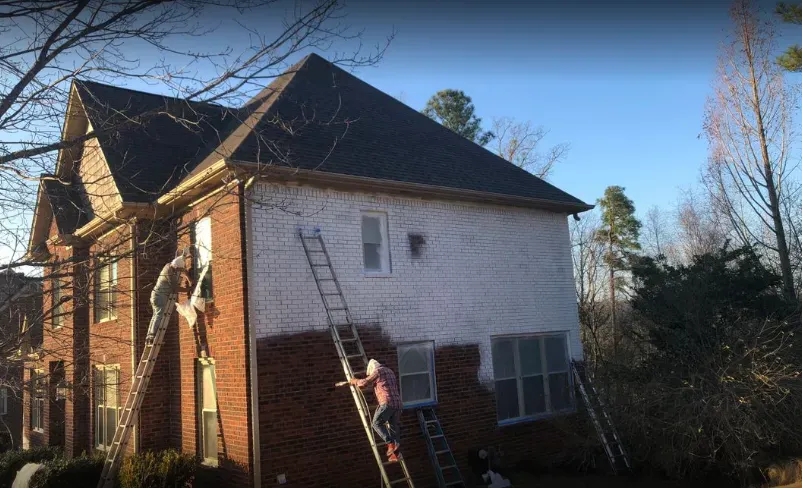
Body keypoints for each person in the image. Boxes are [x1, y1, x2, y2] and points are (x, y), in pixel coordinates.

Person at [343, 359, 403, 462]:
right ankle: (396, 454)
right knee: (393, 427)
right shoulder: (389, 371)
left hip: (387, 402)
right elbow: (382, 385)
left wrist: (354, 381)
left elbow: (363, 383)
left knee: (376, 423)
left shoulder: (378, 371)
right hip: (398, 404)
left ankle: (390, 444)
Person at [146, 256, 192, 344]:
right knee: (159, 315)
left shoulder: (168, 265)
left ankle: (150, 337)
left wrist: (188, 277)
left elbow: (179, 268)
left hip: (155, 295)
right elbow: (175, 289)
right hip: (160, 297)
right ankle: (152, 337)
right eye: (176, 269)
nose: (176, 271)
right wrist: (188, 289)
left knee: (155, 315)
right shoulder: (169, 273)